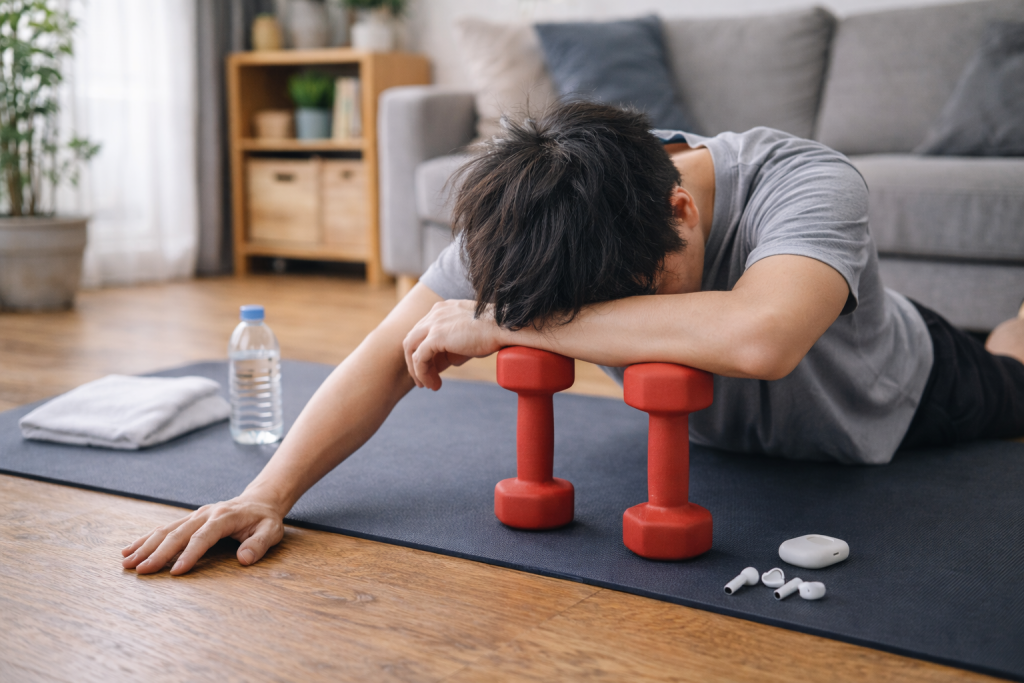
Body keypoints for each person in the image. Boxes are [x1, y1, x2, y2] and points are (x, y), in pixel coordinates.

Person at [121, 101, 1024, 576]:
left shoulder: (807, 182)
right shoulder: (543, 222)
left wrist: (506, 317)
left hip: (907, 395)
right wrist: (266, 492)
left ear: (681, 207)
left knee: (1012, 369)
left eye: (627, 302)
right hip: (737, 439)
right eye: (560, 311)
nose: (595, 325)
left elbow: (762, 338)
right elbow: (387, 352)